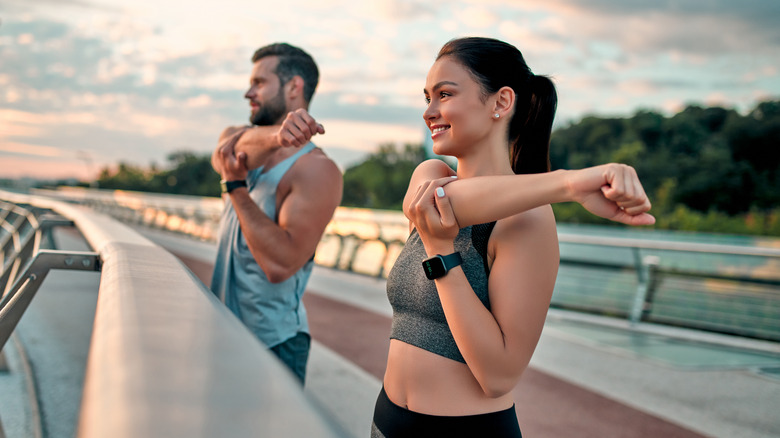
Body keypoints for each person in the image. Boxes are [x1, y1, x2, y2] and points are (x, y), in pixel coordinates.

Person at [371, 37, 655, 437]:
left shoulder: (529, 220)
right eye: (427, 97)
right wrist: (571, 184)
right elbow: (442, 202)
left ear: (501, 102)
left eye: (445, 94)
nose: (429, 111)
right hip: (386, 420)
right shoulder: (430, 177)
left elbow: (499, 376)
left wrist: (442, 255)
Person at [210, 43, 342, 384]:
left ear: (294, 87)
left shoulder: (317, 170)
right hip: (223, 333)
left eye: (259, 82)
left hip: (274, 344)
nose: (248, 92)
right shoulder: (236, 141)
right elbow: (230, 149)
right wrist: (278, 136)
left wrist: (236, 188)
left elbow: (280, 265)